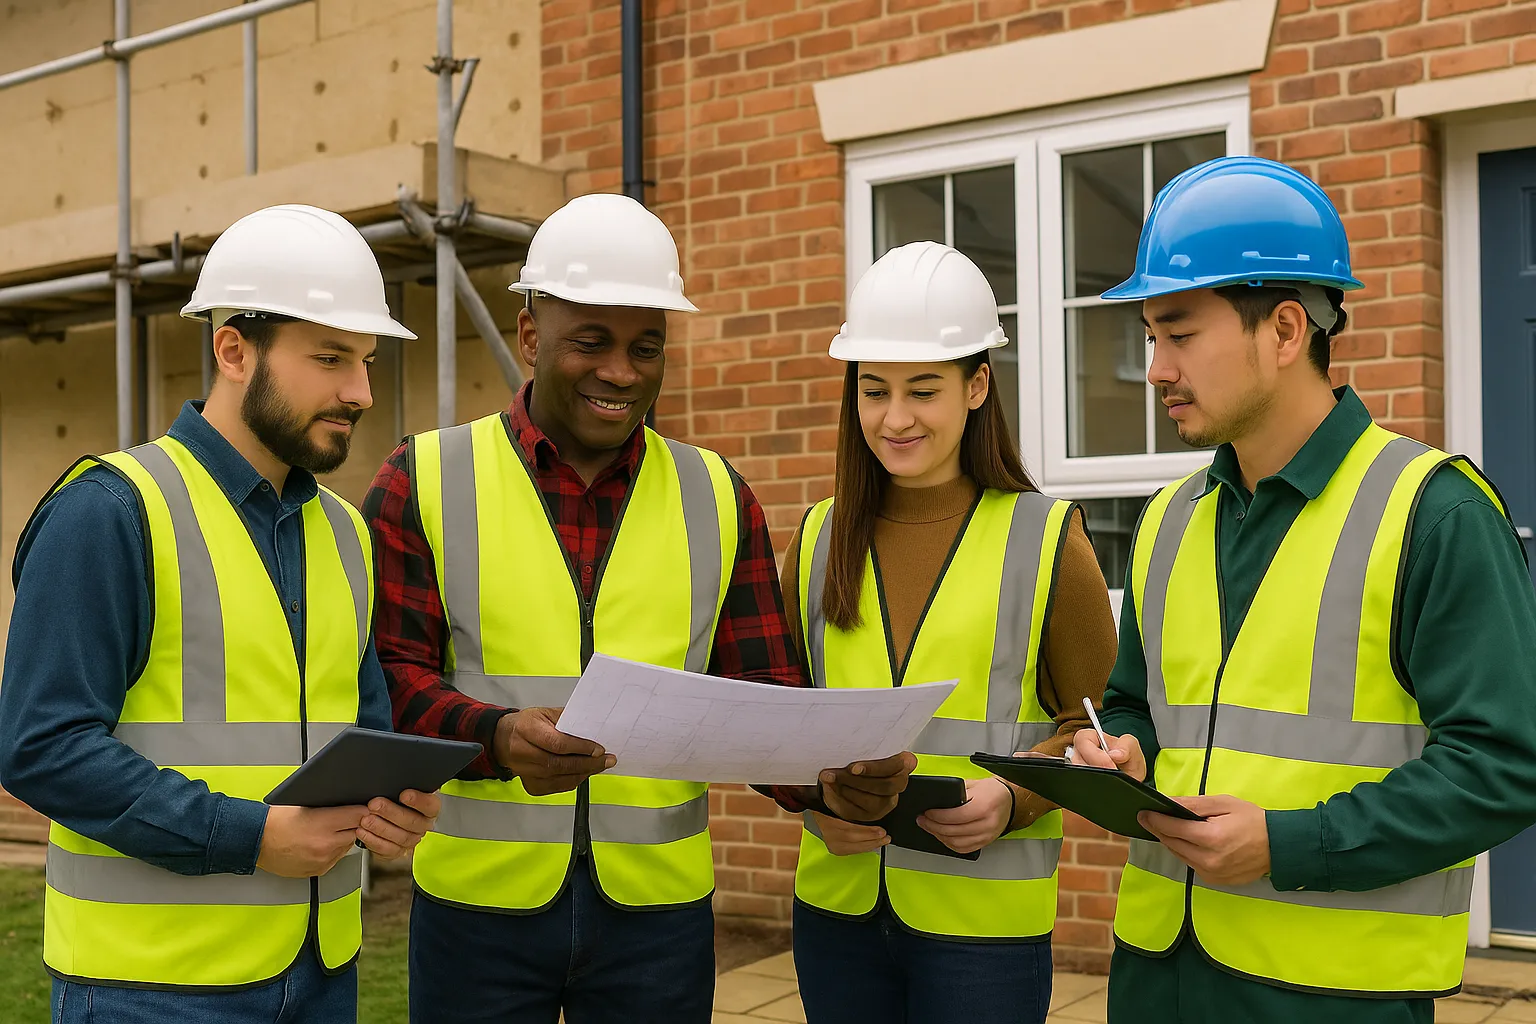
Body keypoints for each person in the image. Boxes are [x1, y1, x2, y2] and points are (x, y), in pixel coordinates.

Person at [362, 192, 915, 1024]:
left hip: (658, 922)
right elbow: (385, 677)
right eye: (591, 341)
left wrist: (834, 781)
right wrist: (495, 736)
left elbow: (764, 694)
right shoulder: (425, 479)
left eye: (645, 347)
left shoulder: (718, 496)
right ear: (528, 338)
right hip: (477, 914)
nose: (621, 371)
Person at [1068, 156, 1536, 1023]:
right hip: (1159, 979)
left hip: (1333, 999)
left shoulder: (1432, 513)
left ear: (1286, 331)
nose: (1157, 369)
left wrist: (1289, 843)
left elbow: (1503, 767)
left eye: (1180, 334)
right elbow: (1131, 702)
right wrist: (1122, 753)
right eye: (1150, 339)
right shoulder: (1170, 521)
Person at [0, 204, 441, 1023]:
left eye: (368, 361)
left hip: (322, 971)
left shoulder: (344, 532)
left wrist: (395, 803)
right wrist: (251, 836)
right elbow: (39, 747)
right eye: (331, 358)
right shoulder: (111, 511)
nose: (361, 392)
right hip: (150, 989)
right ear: (233, 349)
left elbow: (362, 729)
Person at [778, 241, 1118, 1024]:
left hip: (984, 931)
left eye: (923, 390)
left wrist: (1015, 794)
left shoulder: (1045, 538)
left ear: (976, 387)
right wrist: (808, 804)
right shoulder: (821, 537)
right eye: (874, 391)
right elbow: (775, 712)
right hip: (837, 914)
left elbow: (1100, 728)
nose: (895, 419)